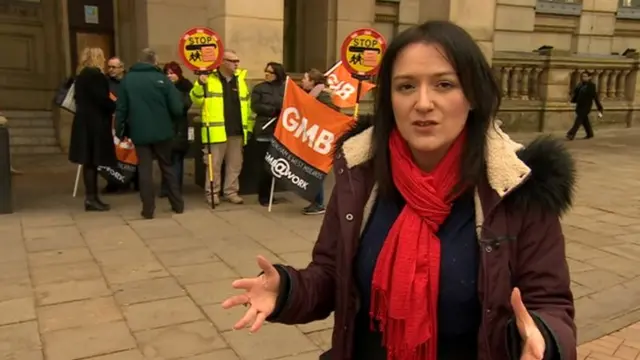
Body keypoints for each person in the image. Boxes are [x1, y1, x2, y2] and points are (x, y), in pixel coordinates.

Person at [222, 21, 577, 360]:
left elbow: (551, 303)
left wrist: (543, 338)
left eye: (444, 85)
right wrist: (286, 289)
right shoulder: (361, 176)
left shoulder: (516, 188)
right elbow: (332, 275)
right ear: (389, 98)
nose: (423, 103)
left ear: (473, 95)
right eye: (406, 86)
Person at [115, 48, 184, 219]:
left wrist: (120, 130)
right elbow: (177, 108)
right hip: (163, 131)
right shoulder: (162, 79)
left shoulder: (127, 80)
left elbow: (121, 109)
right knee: (167, 166)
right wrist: (172, 121)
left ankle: (148, 209)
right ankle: (177, 204)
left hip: (139, 131)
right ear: (155, 61)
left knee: (144, 169)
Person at [190, 50, 252, 206]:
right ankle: (212, 192)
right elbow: (196, 100)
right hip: (216, 131)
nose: (237, 63)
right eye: (233, 60)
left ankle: (231, 191)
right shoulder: (209, 79)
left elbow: (247, 106)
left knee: (235, 164)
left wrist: (248, 128)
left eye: (237, 60)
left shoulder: (241, 80)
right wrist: (199, 84)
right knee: (213, 165)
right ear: (223, 62)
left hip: (237, 130)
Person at [68, 47, 117, 212]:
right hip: (94, 123)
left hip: (83, 122)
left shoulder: (81, 76)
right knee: (92, 161)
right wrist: (114, 106)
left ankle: (92, 197)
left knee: (88, 162)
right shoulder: (96, 75)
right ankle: (91, 198)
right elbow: (102, 99)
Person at [299, 68, 339, 215]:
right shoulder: (313, 95)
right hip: (313, 137)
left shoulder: (323, 96)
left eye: (305, 78)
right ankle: (316, 201)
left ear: (313, 81)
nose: (302, 81)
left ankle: (319, 203)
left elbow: (328, 116)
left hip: (319, 138)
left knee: (315, 171)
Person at [251, 62, 286, 206]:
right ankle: (263, 196)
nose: (266, 74)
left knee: (275, 164)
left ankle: (271, 193)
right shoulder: (259, 88)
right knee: (265, 164)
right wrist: (273, 110)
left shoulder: (285, 88)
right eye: (266, 71)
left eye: (270, 72)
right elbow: (255, 106)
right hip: (264, 129)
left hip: (279, 130)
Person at [103, 56, 139, 194]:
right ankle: (113, 181)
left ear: (121, 68)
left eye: (114, 67)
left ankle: (136, 180)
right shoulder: (105, 82)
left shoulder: (130, 81)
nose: (111, 70)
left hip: (130, 120)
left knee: (133, 152)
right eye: (109, 67)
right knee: (113, 152)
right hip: (112, 121)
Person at [160, 61, 193, 197]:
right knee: (166, 159)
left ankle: (175, 189)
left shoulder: (185, 87)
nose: (169, 76)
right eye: (167, 73)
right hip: (166, 127)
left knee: (176, 159)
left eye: (172, 73)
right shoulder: (161, 88)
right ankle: (165, 187)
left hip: (179, 129)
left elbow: (183, 106)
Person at [567, 71, 603, 140]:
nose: (583, 78)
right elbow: (576, 94)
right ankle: (590, 134)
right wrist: (572, 100)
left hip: (586, 106)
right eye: (583, 76)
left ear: (589, 77)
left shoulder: (591, 86)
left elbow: (595, 97)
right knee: (584, 120)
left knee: (579, 120)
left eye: (585, 76)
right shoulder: (580, 85)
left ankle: (571, 133)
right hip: (579, 105)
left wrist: (599, 107)